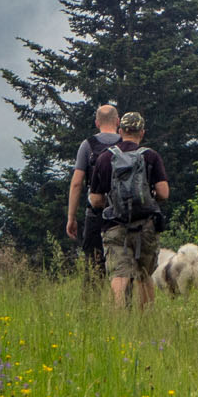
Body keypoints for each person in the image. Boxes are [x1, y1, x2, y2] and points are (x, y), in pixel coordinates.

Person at [86, 111, 169, 308]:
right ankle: (146, 319)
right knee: (145, 274)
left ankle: (118, 320)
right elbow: (164, 193)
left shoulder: (105, 158)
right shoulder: (151, 156)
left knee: (119, 275)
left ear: (121, 131)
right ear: (142, 132)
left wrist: (109, 203)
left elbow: (96, 199)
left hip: (115, 226)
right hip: (145, 226)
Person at [63, 103, 121, 277]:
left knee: (93, 267)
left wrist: (71, 218)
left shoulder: (87, 145)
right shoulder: (126, 145)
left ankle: (92, 304)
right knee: (123, 267)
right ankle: (125, 304)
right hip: (124, 214)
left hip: (96, 213)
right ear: (117, 121)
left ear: (97, 123)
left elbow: (76, 183)